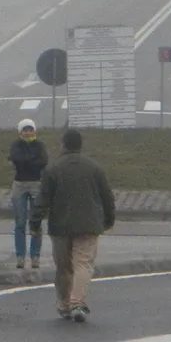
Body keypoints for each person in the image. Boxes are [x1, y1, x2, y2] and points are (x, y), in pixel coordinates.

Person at [32, 128, 116, 323]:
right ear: (81, 145)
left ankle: (64, 304)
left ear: (63, 144)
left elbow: (42, 199)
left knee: (63, 267)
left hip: (60, 226)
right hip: (89, 224)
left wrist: (35, 223)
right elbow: (107, 197)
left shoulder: (53, 169)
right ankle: (77, 302)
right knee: (83, 264)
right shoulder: (95, 168)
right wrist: (109, 220)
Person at [9, 118, 48, 269]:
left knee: (36, 221)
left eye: (30, 129)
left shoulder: (39, 145)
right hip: (19, 185)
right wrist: (32, 160)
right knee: (20, 222)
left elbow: (43, 162)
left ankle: (35, 256)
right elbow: (16, 159)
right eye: (25, 130)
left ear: (34, 131)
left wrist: (25, 161)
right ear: (20, 132)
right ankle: (20, 256)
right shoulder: (15, 145)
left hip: (36, 184)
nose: (27, 133)